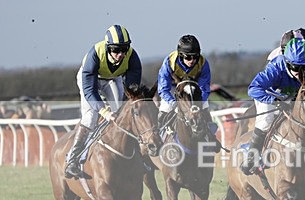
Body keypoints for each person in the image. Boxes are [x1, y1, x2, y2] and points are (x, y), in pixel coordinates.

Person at [64, 24, 142, 179]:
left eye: (124, 49)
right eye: (115, 50)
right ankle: (72, 159)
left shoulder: (133, 57)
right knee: (90, 117)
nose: (120, 54)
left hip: (112, 79)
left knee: (122, 115)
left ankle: (137, 156)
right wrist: (105, 112)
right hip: (90, 80)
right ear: (108, 48)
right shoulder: (94, 55)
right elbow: (90, 92)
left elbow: (131, 90)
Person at [240, 38, 305, 175]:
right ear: (287, 62)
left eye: (304, 67)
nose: (299, 71)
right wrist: (275, 100)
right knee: (266, 121)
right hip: (269, 96)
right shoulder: (275, 68)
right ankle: (252, 156)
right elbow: (253, 89)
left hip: (292, 98)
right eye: (295, 67)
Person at [157, 34, 215, 137]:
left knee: (205, 108)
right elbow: (163, 89)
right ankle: (159, 137)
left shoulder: (203, 63)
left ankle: (211, 137)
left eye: (195, 57)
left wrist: (199, 102)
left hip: (193, 89)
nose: (192, 61)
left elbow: (204, 88)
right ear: (180, 55)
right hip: (173, 88)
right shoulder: (169, 62)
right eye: (188, 57)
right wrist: (173, 103)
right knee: (164, 109)